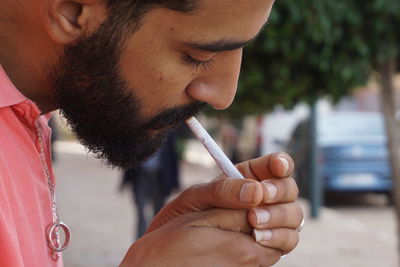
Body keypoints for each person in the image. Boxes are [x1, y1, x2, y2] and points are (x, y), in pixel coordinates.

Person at [0, 0, 304, 266]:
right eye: (196, 56)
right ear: (71, 11)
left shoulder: (28, 120)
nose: (224, 95)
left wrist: (160, 250)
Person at [121, 132, 180, 238]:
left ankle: (154, 240)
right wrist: (125, 180)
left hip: (160, 178)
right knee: (140, 211)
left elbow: (172, 159)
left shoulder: (167, 133)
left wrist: (175, 183)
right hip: (141, 177)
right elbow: (130, 157)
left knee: (158, 214)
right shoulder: (140, 131)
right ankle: (139, 242)